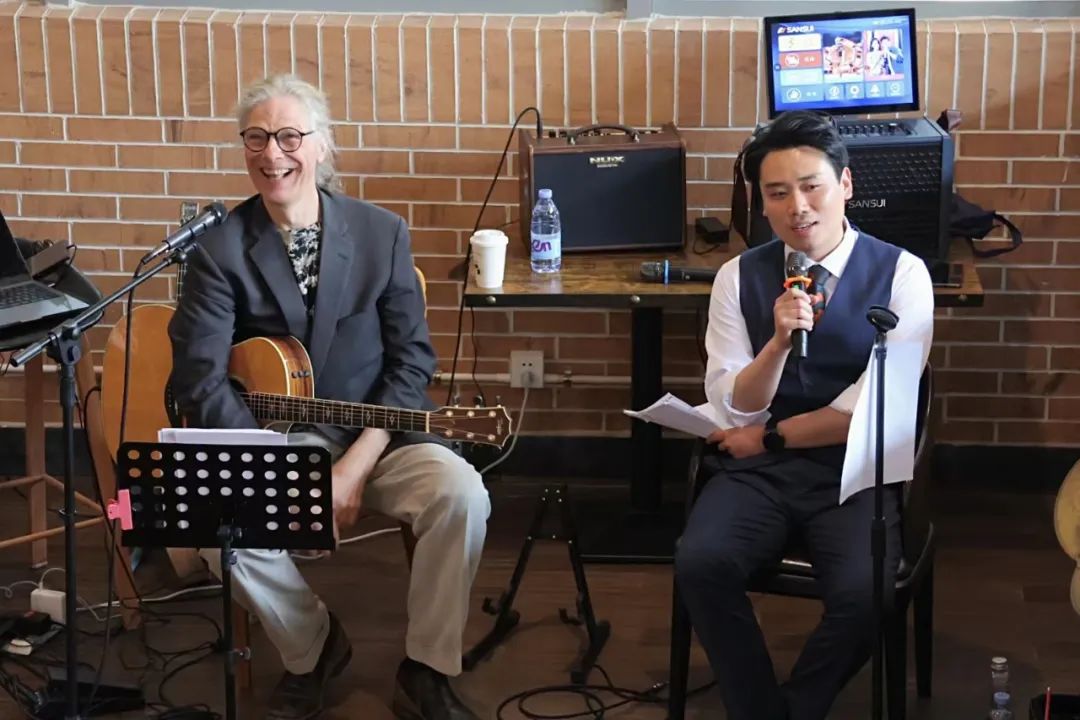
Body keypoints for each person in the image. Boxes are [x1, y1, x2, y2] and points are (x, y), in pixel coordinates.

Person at [168, 74, 489, 720]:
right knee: (210, 522)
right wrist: (278, 474)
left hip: (381, 435)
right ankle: (313, 646)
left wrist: (352, 468)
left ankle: (428, 666)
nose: (272, 153)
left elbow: (412, 362)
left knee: (462, 495)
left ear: (321, 146)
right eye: (256, 137)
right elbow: (200, 378)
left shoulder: (380, 233)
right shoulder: (219, 249)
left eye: (289, 136)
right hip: (279, 440)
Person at [674, 110, 934, 720]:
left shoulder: (903, 274)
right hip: (756, 474)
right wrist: (776, 344)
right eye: (777, 193)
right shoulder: (737, 276)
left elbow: (874, 406)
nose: (798, 207)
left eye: (812, 186)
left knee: (864, 594)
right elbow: (733, 403)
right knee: (700, 562)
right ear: (761, 204)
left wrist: (769, 437)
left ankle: (796, 708)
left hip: (855, 470)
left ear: (845, 184)